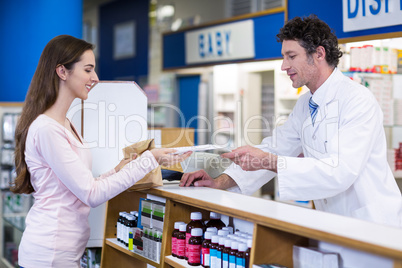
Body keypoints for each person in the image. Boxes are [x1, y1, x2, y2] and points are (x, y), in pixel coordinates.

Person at [180, 15, 402, 228]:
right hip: (335, 222)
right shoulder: (305, 104)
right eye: (284, 57)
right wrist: (219, 181)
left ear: (319, 54)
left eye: (291, 56)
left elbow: (339, 171)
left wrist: (270, 161)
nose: (283, 66)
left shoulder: (357, 100)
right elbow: (276, 148)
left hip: (372, 224)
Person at [12, 35, 191, 267]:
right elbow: (92, 194)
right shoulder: (47, 129)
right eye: (88, 70)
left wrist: (118, 169)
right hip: (49, 254)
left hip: (63, 253)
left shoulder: (64, 123)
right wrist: (149, 159)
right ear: (62, 71)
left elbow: (83, 184)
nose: (95, 78)